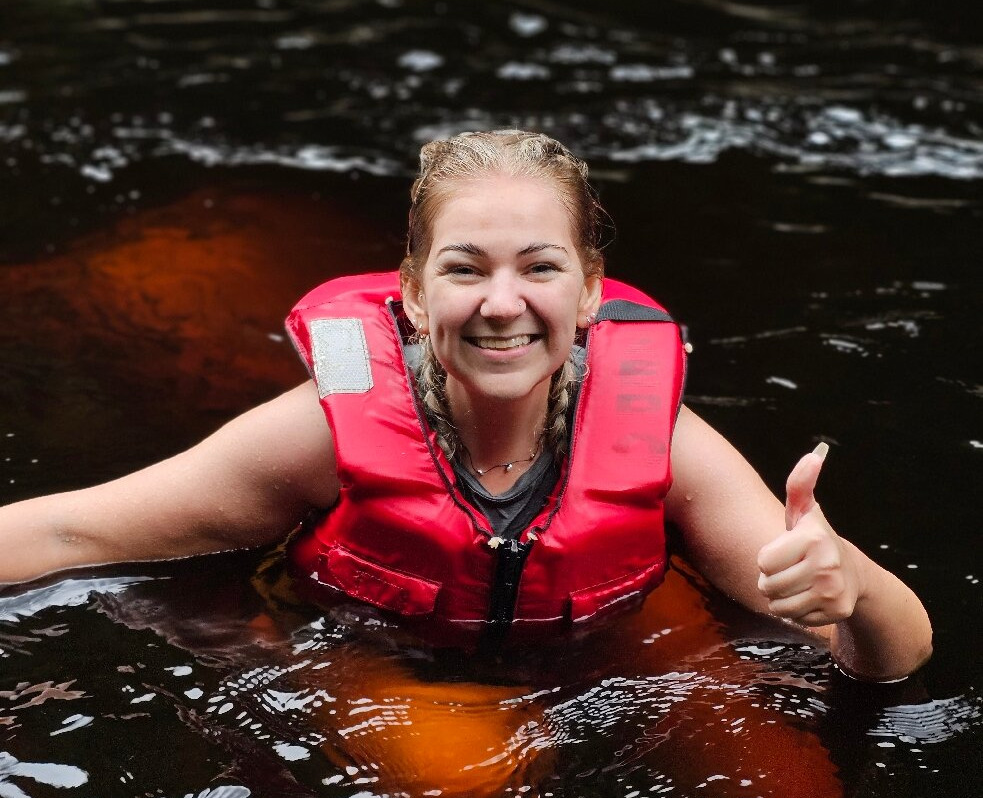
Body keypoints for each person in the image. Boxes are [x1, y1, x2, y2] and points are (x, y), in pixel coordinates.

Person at [0, 130, 931, 792]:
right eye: (462, 269)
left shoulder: (668, 443)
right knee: (465, 778)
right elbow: (61, 530)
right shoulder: (315, 437)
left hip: (614, 635)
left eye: (538, 266)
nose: (501, 302)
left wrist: (849, 584)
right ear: (409, 294)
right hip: (378, 644)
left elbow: (895, 658)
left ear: (590, 293)